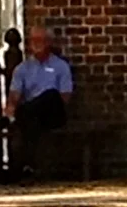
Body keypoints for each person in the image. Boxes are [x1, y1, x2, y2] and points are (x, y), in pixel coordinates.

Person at [5, 26, 75, 175]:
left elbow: (64, 98)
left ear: (49, 42)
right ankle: (29, 167)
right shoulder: (23, 69)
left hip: (53, 114)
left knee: (50, 95)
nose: (36, 44)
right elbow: (14, 96)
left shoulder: (60, 67)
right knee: (31, 119)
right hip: (32, 117)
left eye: (40, 40)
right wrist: (11, 109)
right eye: (33, 40)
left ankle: (18, 117)